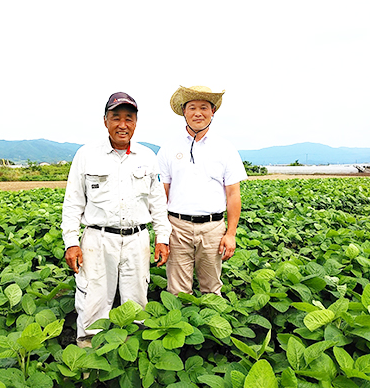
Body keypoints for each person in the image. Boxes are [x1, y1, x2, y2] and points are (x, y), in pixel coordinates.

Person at [61, 92, 171, 347]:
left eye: (129, 118)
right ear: (105, 121)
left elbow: (157, 203)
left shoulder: (147, 157)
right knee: (92, 304)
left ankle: (131, 361)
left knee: (136, 304)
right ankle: (87, 365)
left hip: (137, 240)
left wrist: (162, 238)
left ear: (135, 123)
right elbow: (73, 202)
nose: (123, 124)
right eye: (116, 118)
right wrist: (71, 242)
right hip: (98, 240)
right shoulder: (86, 155)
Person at [157, 85, 247, 296]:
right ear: (184, 111)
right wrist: (161, 233)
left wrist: (231, 233)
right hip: (177, 227)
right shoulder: (169, 148)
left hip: (213, 228)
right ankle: (180, 326)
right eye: (192, 107)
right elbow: (162, 193)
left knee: (212, 288)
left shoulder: (225, 148)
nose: (198, 113)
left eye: (204, 107)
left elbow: (234, 194)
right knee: (177, 291)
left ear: (212, 112)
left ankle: (210, 324)